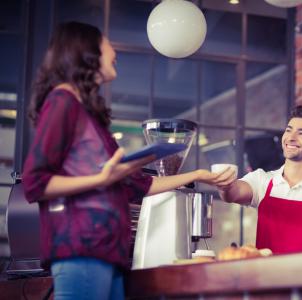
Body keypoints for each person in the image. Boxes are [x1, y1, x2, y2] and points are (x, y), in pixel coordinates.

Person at [22, 21, 226, 300]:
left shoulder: (86, 114)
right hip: (83, 249)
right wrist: (101, 179)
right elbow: (34, 182)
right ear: (87, 51)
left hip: (107, 252)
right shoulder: (62, 101)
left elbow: (138, 186)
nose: (114, 50)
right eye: (107, 43)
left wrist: (198, 175)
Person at [214, 105, 302, 254]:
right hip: (263, 276)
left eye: (301, 133)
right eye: (288, 130)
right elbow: (233, 193)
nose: (291, 137)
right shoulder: (262, 181)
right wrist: (224, 185)